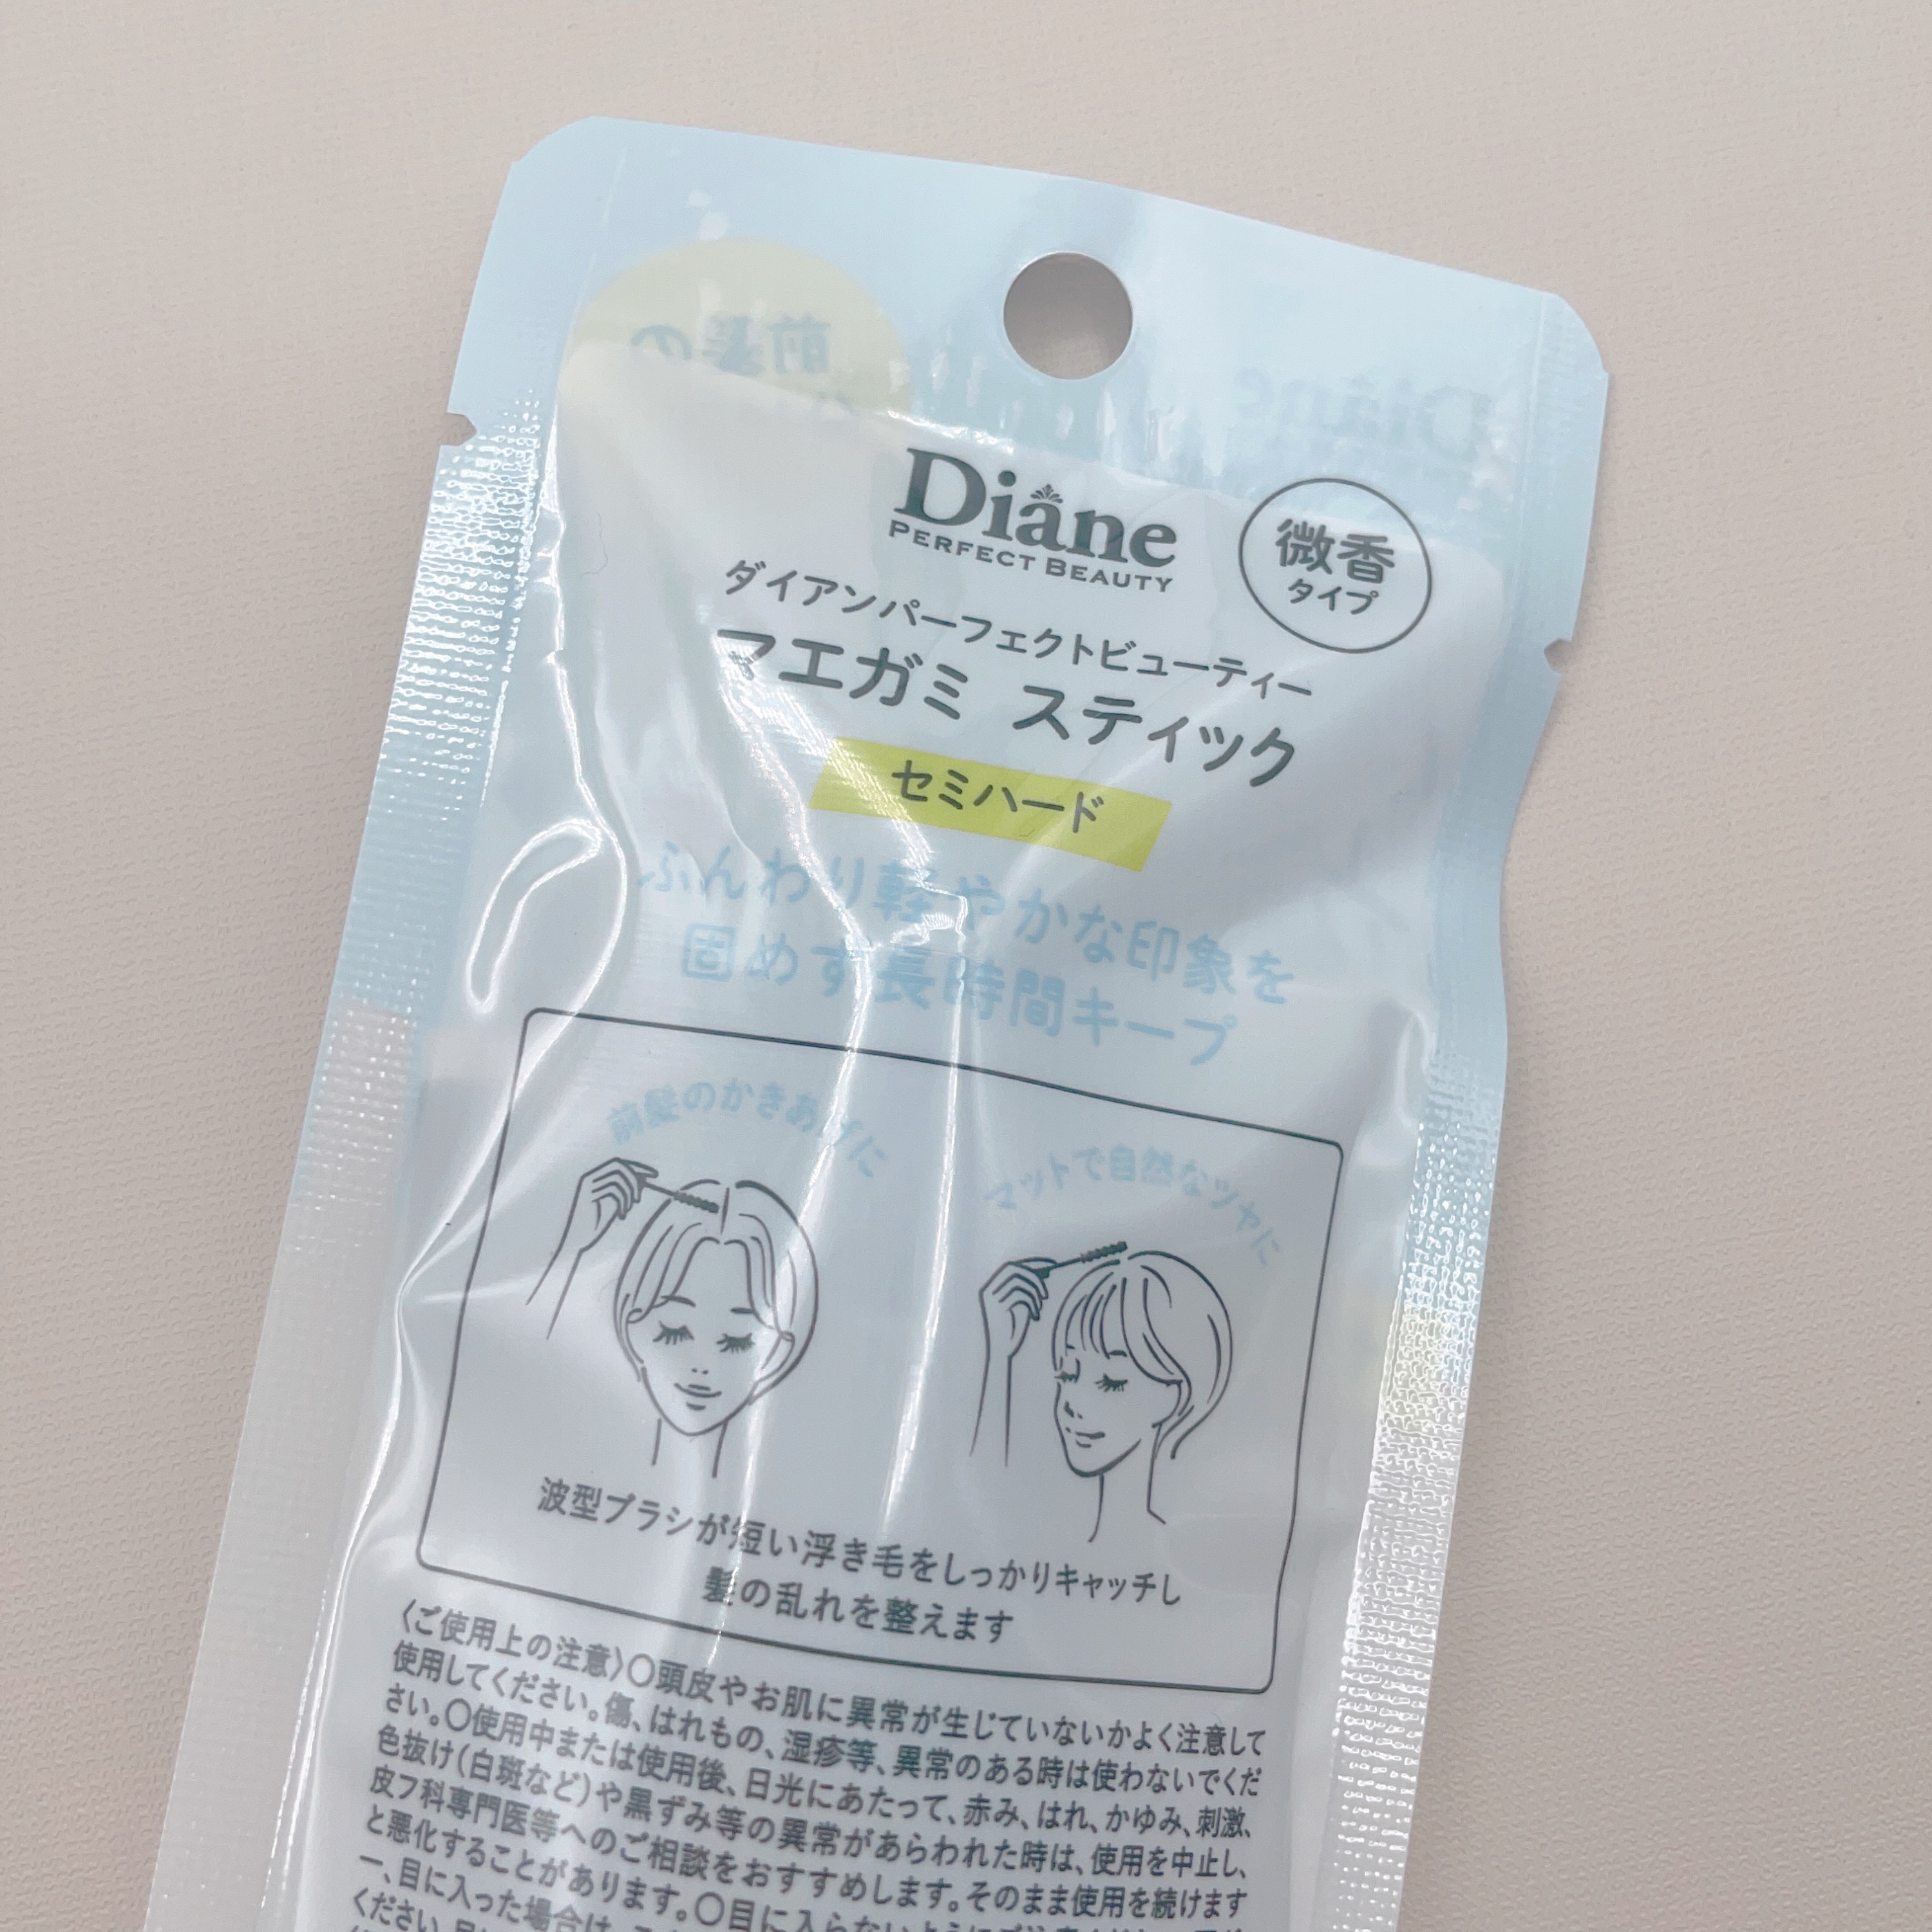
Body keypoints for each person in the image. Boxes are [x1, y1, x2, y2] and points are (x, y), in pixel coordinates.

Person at [533, 1157, 817, 1476]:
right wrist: (571, 1251)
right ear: (629, 1326)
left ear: (780, 1352)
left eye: (736, 1342)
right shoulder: (572, 1445)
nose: (701, 1364)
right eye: (673, 1333)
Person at [974, 1246, 1231, 1542]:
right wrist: (998, 1357)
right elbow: (975, 1507)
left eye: (1111, 1383)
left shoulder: (1193, 1545)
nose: (1071, 1405)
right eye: (1068, 1375)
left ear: (1173, 1396)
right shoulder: (1048, 1537)